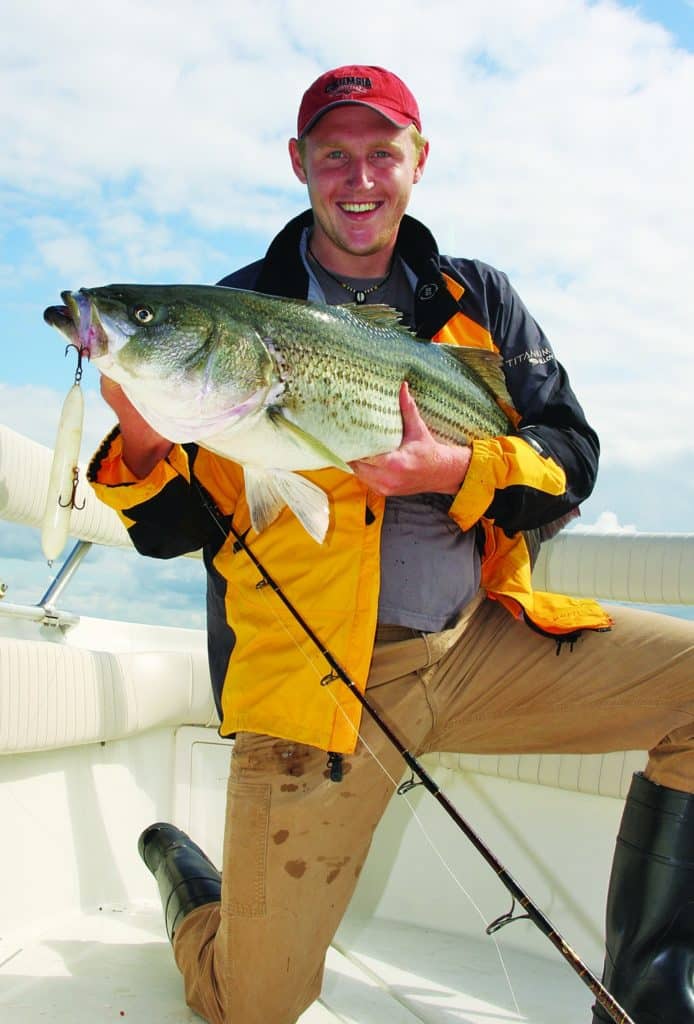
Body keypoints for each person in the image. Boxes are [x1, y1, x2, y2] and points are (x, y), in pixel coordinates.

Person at [88, 65, 694, 1024]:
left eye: (382, 152)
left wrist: (453, 471)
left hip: (476, 648)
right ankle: (198, 897)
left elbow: (570, 459)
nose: (358, 177)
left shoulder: (478, 297)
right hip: (314, 692)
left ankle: (657, 995)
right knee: (255, 1007)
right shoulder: (238, 312)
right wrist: (146, 441)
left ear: (419, 162)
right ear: (300, 165)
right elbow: (173, 535)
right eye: (334, 155)